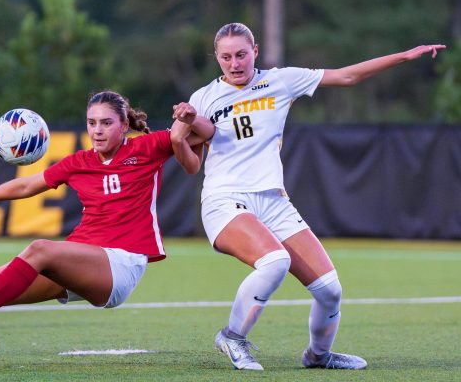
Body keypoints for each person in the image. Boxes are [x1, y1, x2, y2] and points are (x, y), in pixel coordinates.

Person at [172, 22, 445, 371]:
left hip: (273, 200)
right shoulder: (203, 98)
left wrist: (404, 56)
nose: (234, 63)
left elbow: (346, 77)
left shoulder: (281, 80)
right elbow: (192, 166)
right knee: (275, 261)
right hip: (225, 200)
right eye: (226, 57)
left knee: (330, 290)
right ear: (216, 58)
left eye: (241, 54)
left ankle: (318, 356)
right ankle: (232, 335)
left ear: (255, 51)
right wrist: (179, 139)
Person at [0, 90, 214, 365]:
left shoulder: (146, 147)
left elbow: (205, 132)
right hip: (81, 260)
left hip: (120, 264)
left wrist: (190, 116)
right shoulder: (79, 161)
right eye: (92, 123)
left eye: (107, 123)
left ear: (124, 125)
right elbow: (26, 186)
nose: (98, 130)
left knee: (39, 249)